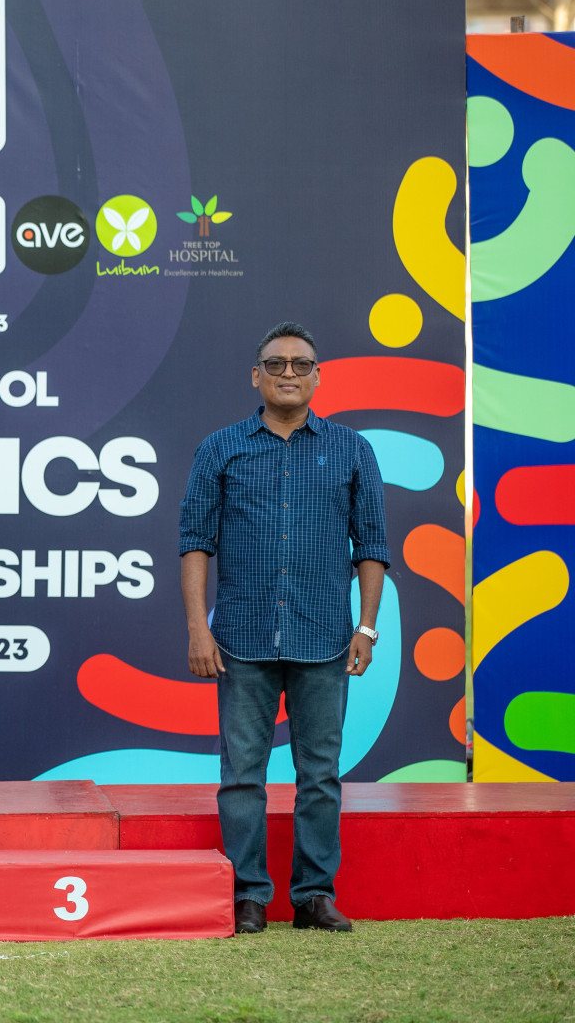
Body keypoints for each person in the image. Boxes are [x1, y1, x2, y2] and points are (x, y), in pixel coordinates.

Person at [178, 321, 390, 934]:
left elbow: (371, 546)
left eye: (301, 364)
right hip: (240, 639)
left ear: (319, 376)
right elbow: (194, 544)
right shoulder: (221, 448)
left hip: (326, 638)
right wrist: (198, 628)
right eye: (276, 364)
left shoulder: (352, 449)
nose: (289, 373)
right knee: (241, 775)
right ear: (256, 375)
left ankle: (313, 896)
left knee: (319, 776)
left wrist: (368, 628)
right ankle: (248, 896)